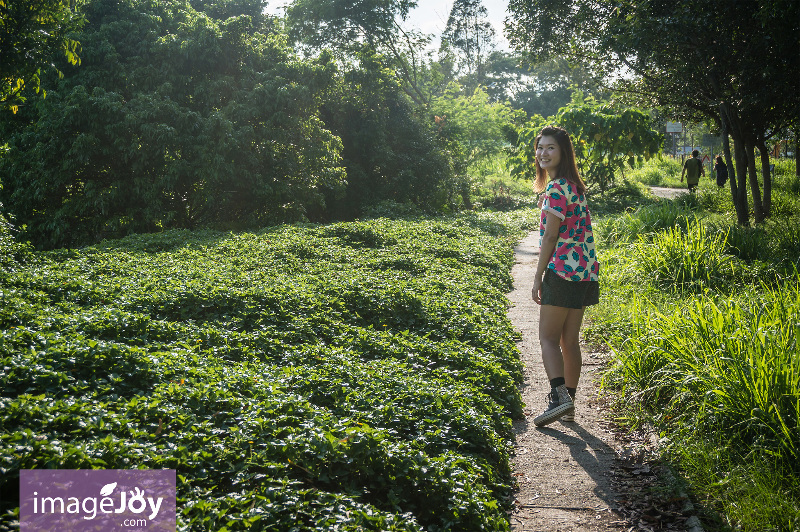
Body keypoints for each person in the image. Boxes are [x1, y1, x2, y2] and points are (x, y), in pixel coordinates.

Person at [531, 126, 600, 427]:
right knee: (569, 341)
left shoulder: (556, 188)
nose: (543, 153)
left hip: (561, 270)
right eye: (540, 148)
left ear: (563, 153)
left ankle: (558, 398)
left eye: (550, 148)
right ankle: (568, 405)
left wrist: (537, 277)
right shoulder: (575, 186)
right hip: (585, 272)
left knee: (547, 338)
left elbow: (550, 237)